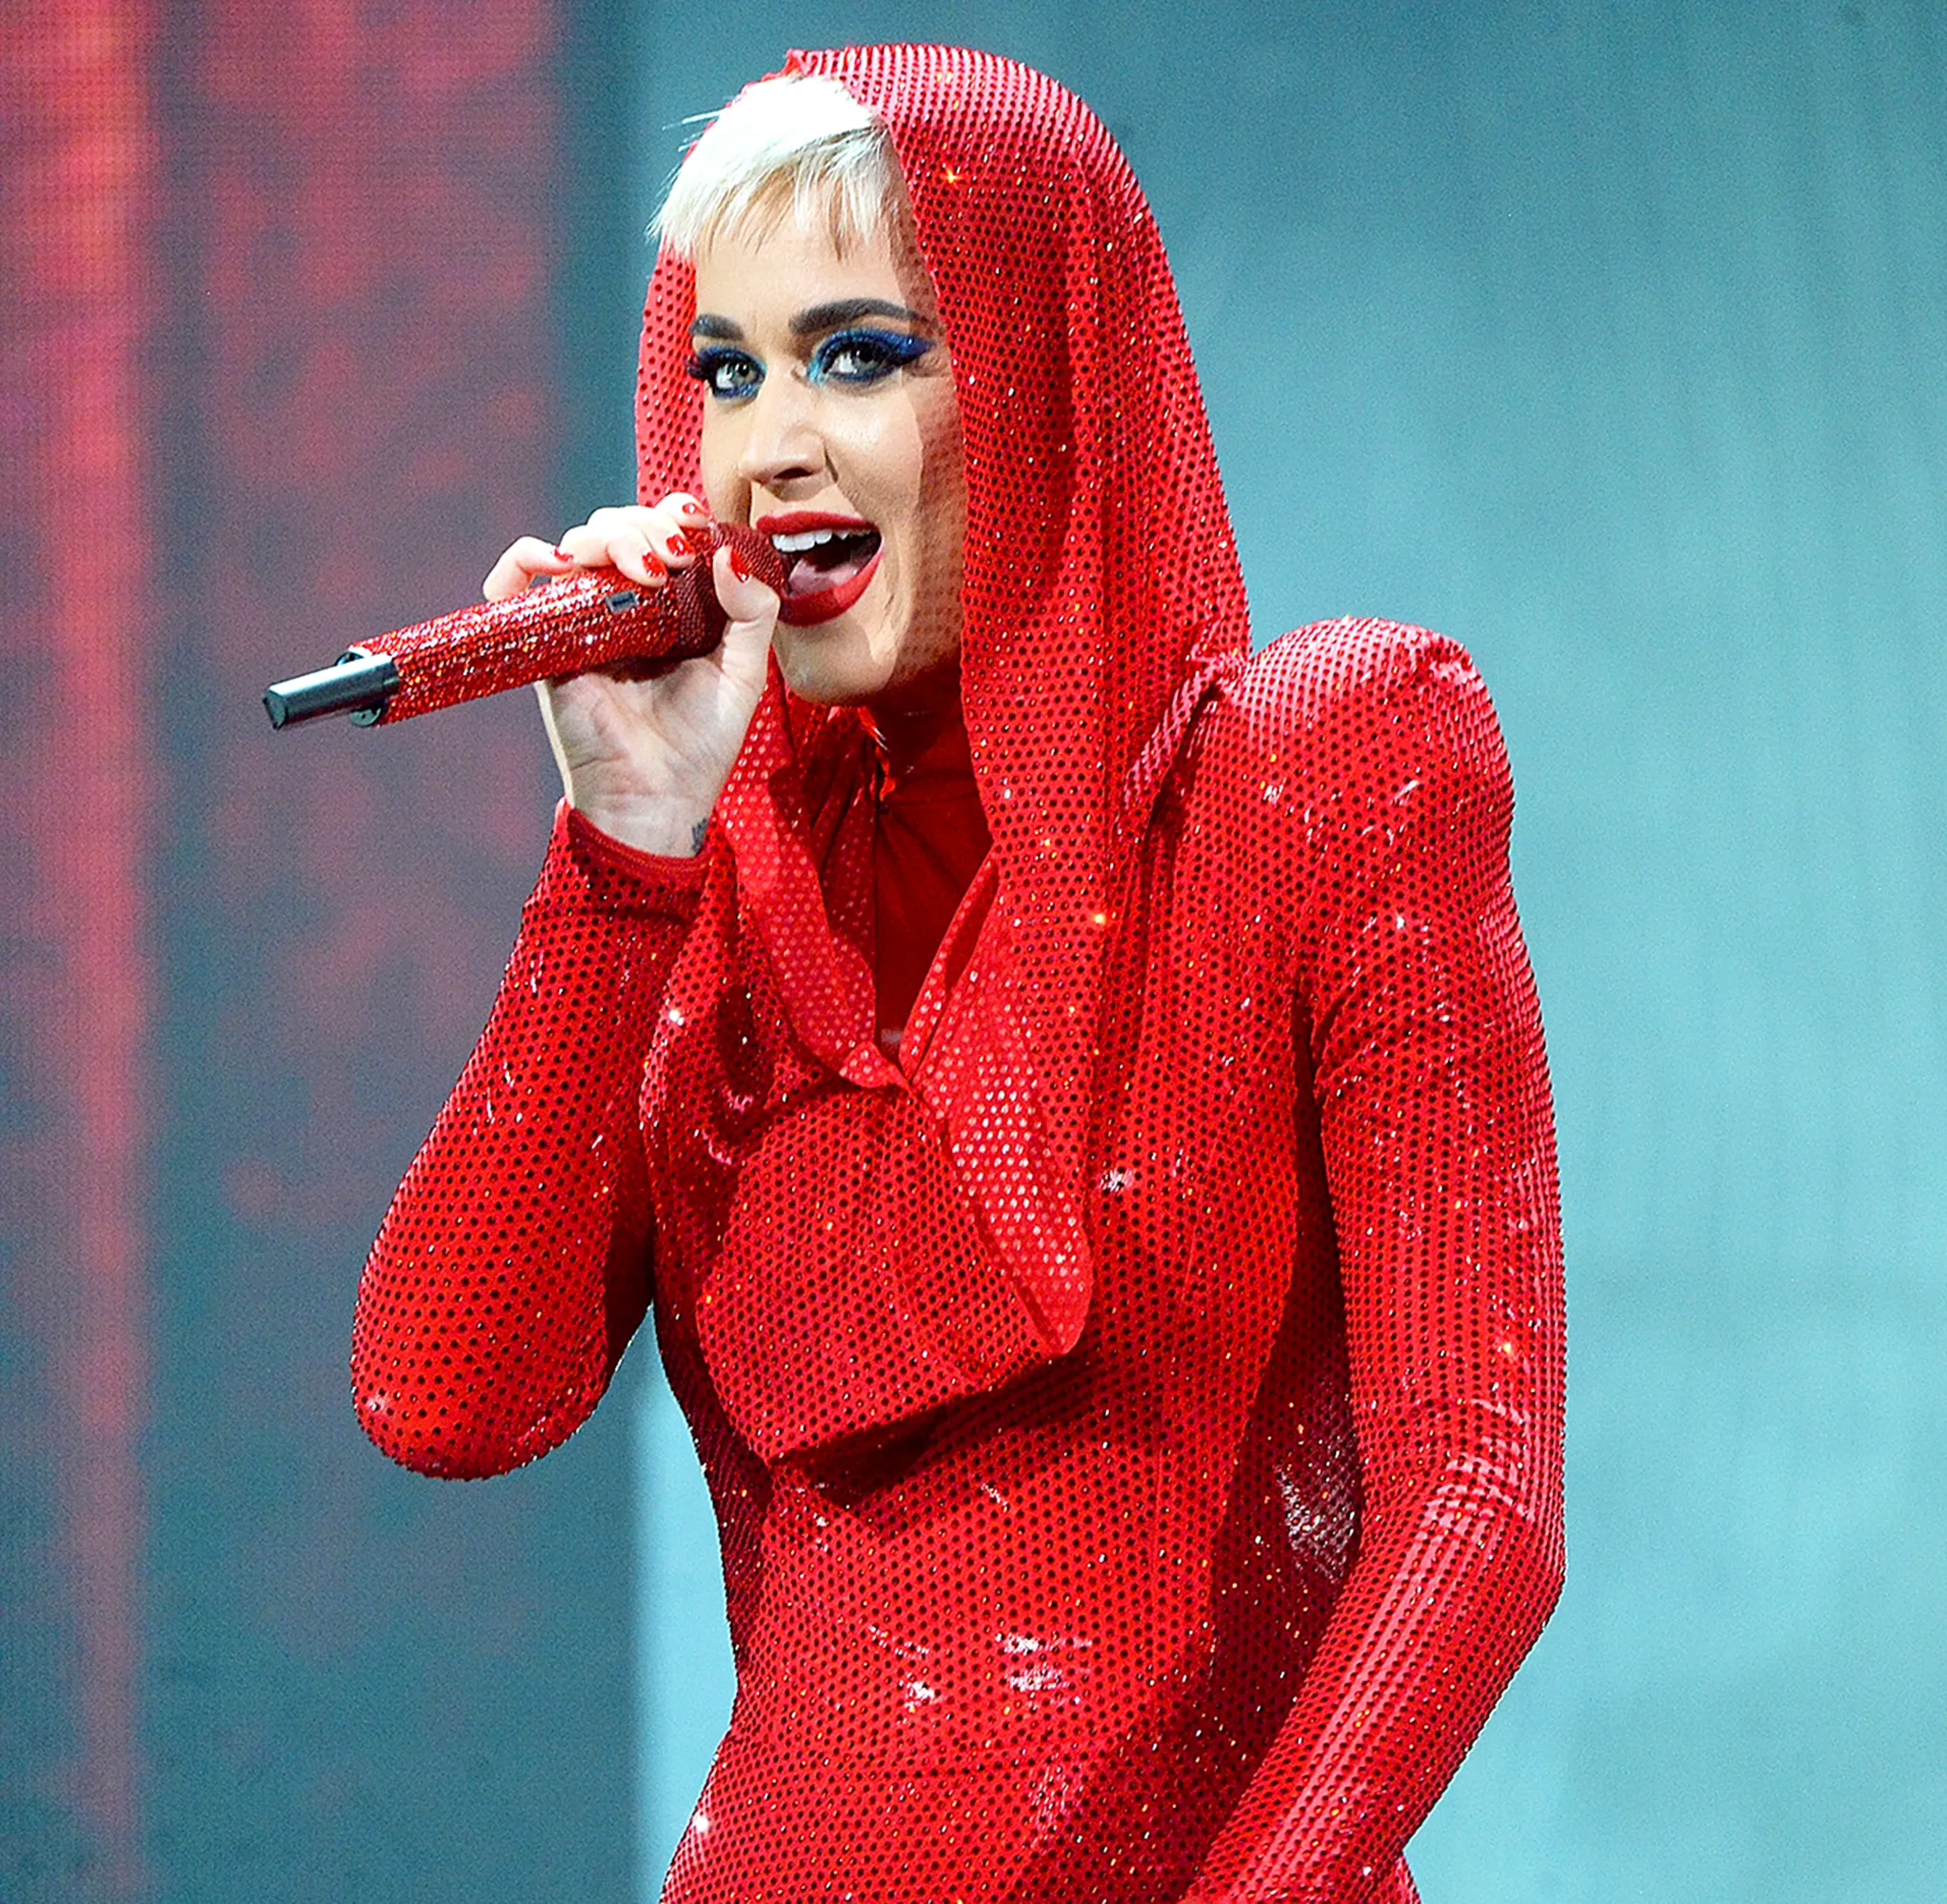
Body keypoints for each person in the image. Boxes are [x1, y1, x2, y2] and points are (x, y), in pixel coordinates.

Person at [350, 45, 1564, 1904]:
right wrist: (624, 847)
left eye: (858, 354)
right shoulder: (715, 900)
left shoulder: (1322, 763)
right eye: (728, 369)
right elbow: (445, 1404)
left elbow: (1476, 1494)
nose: (768, 443)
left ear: (1049, 373)